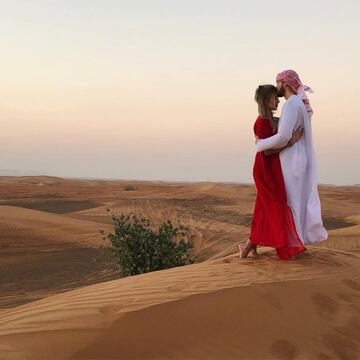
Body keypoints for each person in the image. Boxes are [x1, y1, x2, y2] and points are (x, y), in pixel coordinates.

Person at [255, 70, 328, 245]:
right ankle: (295, 242)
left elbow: (283, 137)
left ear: (285, 84)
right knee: (294, 203)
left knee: (292, 203)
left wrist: (259, 145)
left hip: (292, 161)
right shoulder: (297, 103)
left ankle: (294, 243)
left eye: (278, 83)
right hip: (295, 159)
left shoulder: (292, 104)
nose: (276, 88)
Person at [239, 85, 306, 259]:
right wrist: (291, 142)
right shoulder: (261, 123)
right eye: (273, 98)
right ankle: (249, 246)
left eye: (277, 98)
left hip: (274, 168)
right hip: (265, 169)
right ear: (265, 101)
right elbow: (267, 151)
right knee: (274, 207)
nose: (277, 101)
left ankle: (249, 247)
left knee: (265, 208)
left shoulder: (272, 120)